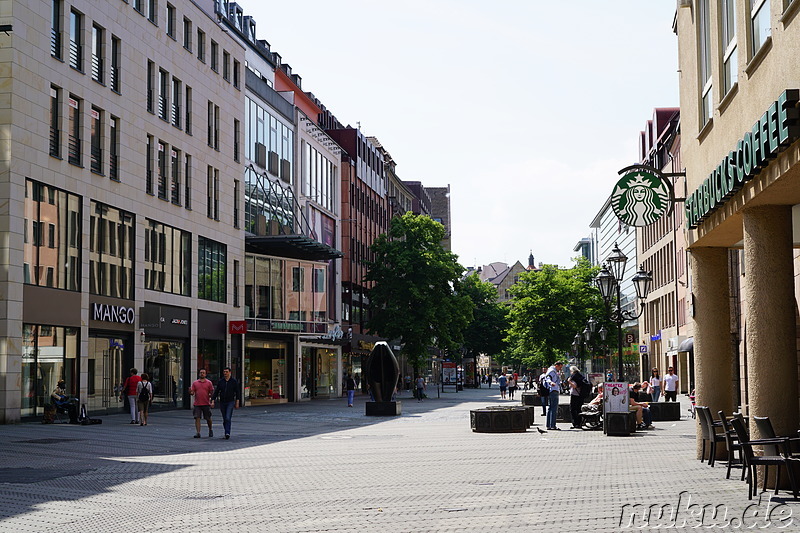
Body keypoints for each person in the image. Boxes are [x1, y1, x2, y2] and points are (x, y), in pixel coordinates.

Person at [211, 367, 241, 439]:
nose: (225, 373)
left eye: (226, 372)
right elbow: (217, 391)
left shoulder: (233, 381)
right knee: (225, 418)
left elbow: (237, 392)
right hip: (222, 402)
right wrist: (213, 400)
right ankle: (226, 431)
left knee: (228, 417)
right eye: (224, 372)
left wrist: (237, 402)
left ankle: (227, 432)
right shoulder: (221, 381)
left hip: (230, 401)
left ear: (230, 372)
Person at [190, 368, 214, 438]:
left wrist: (212, 401)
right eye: (201, 372)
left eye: (203, 373)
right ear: (199, 374)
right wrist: (190, 391)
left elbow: (212, 393)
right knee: (197, 417)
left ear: (205, 374)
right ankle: (198, 432)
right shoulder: (195, 383)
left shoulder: (209, 383)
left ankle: (210, 429)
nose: (202, 374)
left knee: (208, 418)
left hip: (206, 403)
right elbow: (192, 393)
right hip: (197, 404)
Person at [544, 361, 563, 430]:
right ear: (557, 365)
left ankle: (549, 425)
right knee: (554, 408)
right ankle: (552, 425)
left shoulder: (551, 370)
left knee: (550, 408)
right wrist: (551, 382)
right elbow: (548, 378)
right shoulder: (552, 371)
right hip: (554, 390)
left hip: (552, 390)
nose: (560, 369)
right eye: (560, 367)